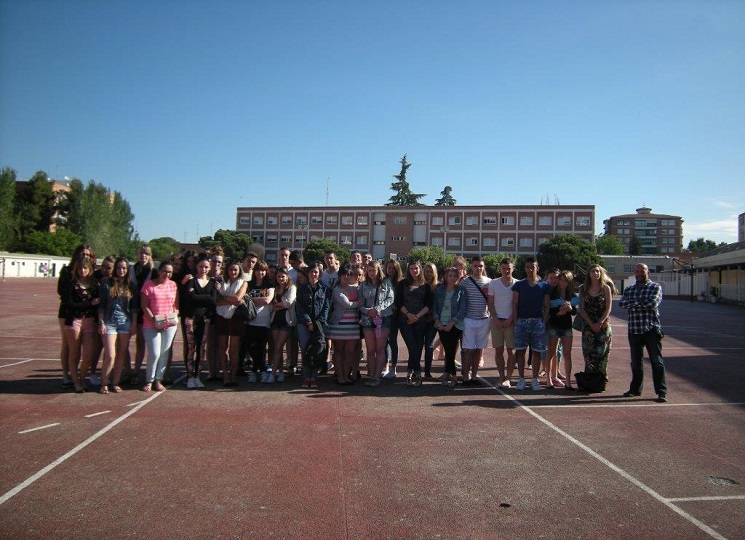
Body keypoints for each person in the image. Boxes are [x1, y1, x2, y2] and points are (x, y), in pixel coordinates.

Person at [619, 263, 667, 402]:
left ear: (647, 272)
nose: (640, 274)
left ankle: (661, 392)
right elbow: (622, 303)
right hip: (634, 329)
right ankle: (635, 389)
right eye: (637, 271)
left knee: (656, 361)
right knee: (636, 362)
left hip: (651, 329)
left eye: (642, 271)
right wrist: (640, 303)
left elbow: (652, 303)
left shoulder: (655, 287)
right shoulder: (629, 289)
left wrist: (633, 304)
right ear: (635, 273)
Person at [97, 257, 138, 393]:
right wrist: (101, 322)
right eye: (119, 268)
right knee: (110, 355)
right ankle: (104, 382)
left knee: (121, 354)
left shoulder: (131, 285)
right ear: (115, 269)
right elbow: (101, 305)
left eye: (124, 268)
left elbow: (134, 307)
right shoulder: (106, 283)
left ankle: (115, 382)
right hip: (109, 321)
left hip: (125, 322)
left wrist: (134, 324)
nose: (121, 270)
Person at [61, 257, 100, 393]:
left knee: (88, 355)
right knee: (74, 353)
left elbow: (98, 302)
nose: (82, 271)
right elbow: (70, 305)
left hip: (89, 321)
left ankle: (82, 378)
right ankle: (76, 382)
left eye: (85, 268)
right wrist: (89, 303)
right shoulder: (72, 284)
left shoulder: (94, 284)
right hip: (74, 321)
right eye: (80, 268)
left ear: (89, 269)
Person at [57, 244, 94, 387]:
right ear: (77, 254)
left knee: (83, 349)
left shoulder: (91, 273)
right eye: (83, 254)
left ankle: (77, 376)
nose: (85, 256)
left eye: (88, 255)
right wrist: (82, 301)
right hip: (68, 312)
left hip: (86, 316)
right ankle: (66, 375)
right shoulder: (68, 271)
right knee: (67, 344)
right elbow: (61, 291)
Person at [140, 260, 179, 392]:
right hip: (151, 324)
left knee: (164, 353)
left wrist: (173, 316)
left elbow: (176, 306)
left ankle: (158, 379)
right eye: (164, 271)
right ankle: (149, 380)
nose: (167, 274)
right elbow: (144, 306)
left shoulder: (173, 285)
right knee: (154, 353)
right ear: (158, 271)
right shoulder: (148, 285)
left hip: (170, 325)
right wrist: (154, 321)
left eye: (170, 272)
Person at [512, 257, 551, 391]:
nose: (530, 269)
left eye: (532, 267)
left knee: (537, 352)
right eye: (527, 267)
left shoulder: (544, 285)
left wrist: (543, 322)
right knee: (520, 351)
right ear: (524, 268)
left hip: (537, 321)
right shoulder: (519, 285)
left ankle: (534, 379)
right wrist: (516, 321)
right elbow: (515, 304)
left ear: (537, 268)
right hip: (522, 321)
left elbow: (546, 305)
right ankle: (521, 378)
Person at [182, 254, 218, 389]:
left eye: (206, 267)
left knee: (201, 348)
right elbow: (190, 297)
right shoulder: (191, 280)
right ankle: (190, 376)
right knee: (191, 348)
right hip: (191, 318)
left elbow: (213, 300)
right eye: (201, 266)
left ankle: (197, 376)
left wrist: (200, 297)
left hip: (205, 319)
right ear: (196, 266)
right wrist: (206, 297)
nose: (203, 269)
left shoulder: (213, 282)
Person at [396, 260, 433, 386]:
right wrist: (408, 315)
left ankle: (411, 372)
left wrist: (417, 316)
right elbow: (398, 302)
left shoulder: (425, 285)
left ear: (420, 269)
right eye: (412, 268)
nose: (414, 271)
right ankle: (416, 372)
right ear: (408, 270)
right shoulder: (402, 284)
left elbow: (428, 304)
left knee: (418, 347)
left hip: (421, 320)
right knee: (412, 346)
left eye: (416, 268)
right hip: (405, 320)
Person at [577, 264, 614, 387]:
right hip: (588, 325)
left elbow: (608, 308)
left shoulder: (606, 288)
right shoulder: (583, 288)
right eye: (593, 271)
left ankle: (601, 378)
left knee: (602, 353)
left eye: (597, 271)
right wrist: (591, 324)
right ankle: (589, 379)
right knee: (588, 353)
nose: (595, 273)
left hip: (603, 325)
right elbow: (582, 309)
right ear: (589, 273)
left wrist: (599, 322)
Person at [359, 260, 395, 387]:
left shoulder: (386, 282)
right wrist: (367, 311)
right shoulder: (363, 285)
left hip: (383, 318)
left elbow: (390, 298)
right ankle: (371, 375)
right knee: (370, 349)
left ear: (378, 270)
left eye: (374, 270)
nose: (371, 273)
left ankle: (376, 376)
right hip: (368, 318)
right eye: (369, 270)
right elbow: (360, 302)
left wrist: (378, 308)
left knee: (380, 349)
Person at [295, 262, 331, 388]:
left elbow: (326, 307)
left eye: (316, 272)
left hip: (319, 324)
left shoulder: (325, 289)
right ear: (308, 273)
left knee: (317, 349)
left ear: (319, 274)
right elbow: (299, 307)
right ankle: (306, 376)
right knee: (305, 348)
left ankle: (313, 376)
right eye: (311, 272)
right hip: (304, 324)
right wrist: (308, 321)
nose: (313, 274)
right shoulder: (302, 289)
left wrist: (318, 323)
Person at [214, 260, 249, 386]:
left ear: (239, 271)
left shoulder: (243, 282)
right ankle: (225, 376)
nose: (233, 272)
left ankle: (233, 376)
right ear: (227, 270)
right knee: (222, 347)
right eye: (230, 269)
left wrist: (225, 299)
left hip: (236, 317)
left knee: (234, 349)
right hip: (221, 317)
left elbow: (238, 298)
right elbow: (216, 301)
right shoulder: (220, 283)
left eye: (235, 270)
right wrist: (231, 301)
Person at [327, 263, 363, 385]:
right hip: (339, 325)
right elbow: (347, 304)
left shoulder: (357, 289)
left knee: (350, 352)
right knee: (338, 351)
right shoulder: (336, 290)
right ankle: (340, 376)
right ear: (340, 276)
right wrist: (359, 303)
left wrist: (360, 302)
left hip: (353, 325)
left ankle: (346, 375)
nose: (347, 277)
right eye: (344, 274)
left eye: (349, 274)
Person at [433, 267, 467, 387]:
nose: (452, 278)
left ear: (458, 277)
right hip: (441, 324)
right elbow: (435, 307)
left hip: (455, 324)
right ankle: (451, 375)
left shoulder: (461, 290)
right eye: (450, 276)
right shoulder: (439, 290)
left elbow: (462, 308)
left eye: (454, 276)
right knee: (448, 350)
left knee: (451, 350)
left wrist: (452, 323)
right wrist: (437, 321)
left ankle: (451, 375)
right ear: (446, 277)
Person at [459, 256, 491, 385]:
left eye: (481, 266)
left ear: (484, 267)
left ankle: (474, 377)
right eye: (476, 266)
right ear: (472, 267)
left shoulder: (489, 282)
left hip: (484, 319)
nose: (478, 268)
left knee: (479, 350)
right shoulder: (465, 282)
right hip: (469, 319)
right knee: (469, 349)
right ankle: (465, 377)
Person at [129, 244, 157, 386]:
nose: (143, 256)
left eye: (146, 253)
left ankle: (148, 373)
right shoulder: (132, 269)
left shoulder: (153, 271)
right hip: (132, 308)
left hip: (147, 310)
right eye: (141, 253)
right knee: (131, 342)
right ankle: (131, 371)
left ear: (150, 255)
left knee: (147, 343)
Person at [488, 258, 517, 388]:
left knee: (512, 351)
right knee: (498, 351)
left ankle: (508, 378)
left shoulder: (517, 284)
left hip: (511, 322)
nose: (506, 271)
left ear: (513, 268)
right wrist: (495, 319)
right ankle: (501, 376)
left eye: (509, 268)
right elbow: (490, 303)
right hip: (496, 322)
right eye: (504, 268)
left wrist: (510, 319)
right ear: (500, 269)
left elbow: (517, 304)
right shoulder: (493, 283)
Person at [547, 270, 578, 389]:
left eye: (565, 281)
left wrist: (570, 309)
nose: (562, 282)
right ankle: (549, 379)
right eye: (561, 280)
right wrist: (558, 312)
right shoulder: (552, 293)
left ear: (569, 282)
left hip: (566, 327)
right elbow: (548, 311)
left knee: (567, 354)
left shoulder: (572, 295)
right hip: (554, 326)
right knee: (551, 353)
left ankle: (568, 382)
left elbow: (574, 311)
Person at [245, 261, 275, 383]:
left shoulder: (270, 285)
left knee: (261, 347)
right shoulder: (249, 284)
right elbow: (243, 299)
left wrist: (250, 299)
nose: (260, 273)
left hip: (264, 321)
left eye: (263, 270)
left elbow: (267, 300)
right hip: (250, 320)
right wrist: (256, 300)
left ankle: (258, 371)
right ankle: (260, 369)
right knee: (251, 346)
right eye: (258, 270)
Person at [269, 266, 297, 383]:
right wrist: (276, 306)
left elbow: (288, 302)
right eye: (279, 276)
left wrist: (275, 306)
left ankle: (272, 374)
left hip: (286, 321)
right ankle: (280, 372)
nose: (281, 278)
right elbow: (269, 305)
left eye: (283, 276)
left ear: (287, 277)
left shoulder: (292, 287)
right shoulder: (274, 289)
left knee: (279, 347)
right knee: (277, 348)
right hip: (275, 320)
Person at [382, 259, 404, 379]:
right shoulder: (382, 281)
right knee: (384, 341)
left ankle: (393, 368)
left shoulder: (400, 283)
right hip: (384, 314)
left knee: (393, 341)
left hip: (395, 315)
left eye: (393, 268)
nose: (390, 270)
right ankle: (385, 365)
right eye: (389, 267)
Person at [422, 262, 440, 378]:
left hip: (432, 320)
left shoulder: (438, 286)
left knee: (429, 345)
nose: (428, 274)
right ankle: (415, 370)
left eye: (431, 272)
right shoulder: (420, 285)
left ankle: (427, 371)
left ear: (434, 273)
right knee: (418, 345)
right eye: (427, 271)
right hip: (420, 319)